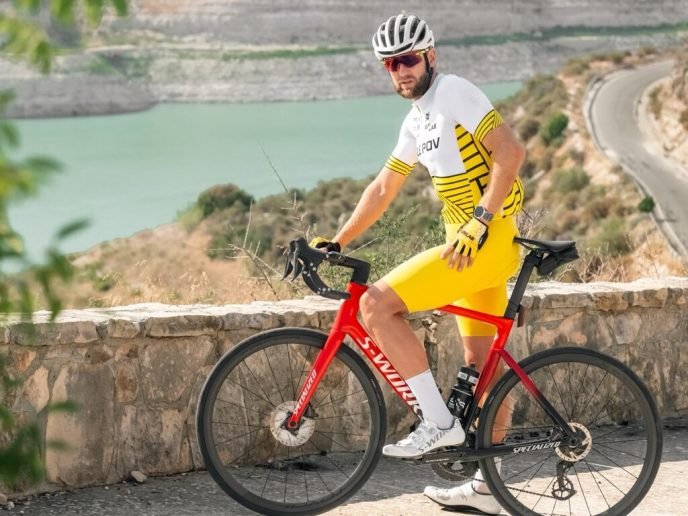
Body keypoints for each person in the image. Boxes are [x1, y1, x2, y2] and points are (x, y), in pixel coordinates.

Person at [310, 13, 525, 514]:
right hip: (464, 243)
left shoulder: (453, 92)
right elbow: (383, 188)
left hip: (484, 240)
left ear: (430, 56)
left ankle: (438, 423)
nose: (401, 71)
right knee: (483, 369)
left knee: (377, 306)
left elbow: (511, 153)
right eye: (391, 64)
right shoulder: (417, 120)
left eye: (408, 59)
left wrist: (479, 220)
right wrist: (337, 242)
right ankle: (489, 489)